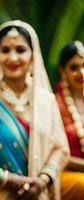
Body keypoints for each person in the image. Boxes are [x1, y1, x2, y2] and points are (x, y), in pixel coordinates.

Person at [0, 20, 69, 199]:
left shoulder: (46, 100)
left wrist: (42, 181)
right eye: (5, 50)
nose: (13, 58)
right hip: (0, 193)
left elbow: (60, 149)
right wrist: (12, 180)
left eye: (20, 50)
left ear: (32, 56)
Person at [55, 41, 84, 199]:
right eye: (74, 67)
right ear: (62, 70)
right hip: (65, 173)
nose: (81, 72)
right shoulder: (54, 105)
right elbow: (53, 153)